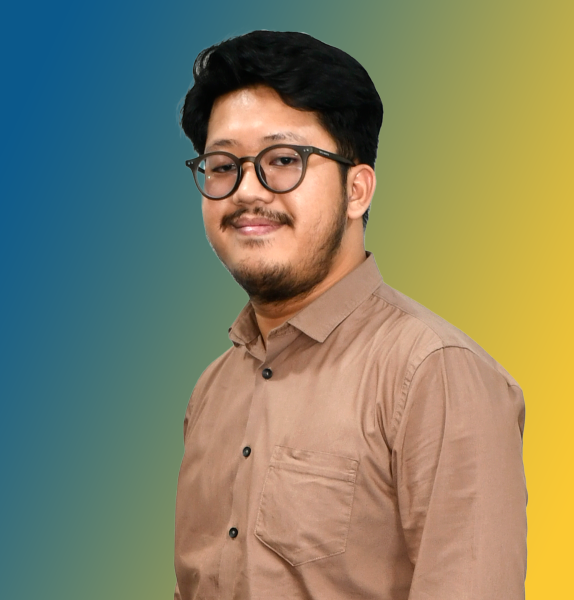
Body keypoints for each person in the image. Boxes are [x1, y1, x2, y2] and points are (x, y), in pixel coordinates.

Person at [174, 30, 527, 600]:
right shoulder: (211, 390)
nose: (246, 191)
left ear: (357, 190)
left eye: (282, 160)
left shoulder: (434, 373)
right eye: (221, 166)